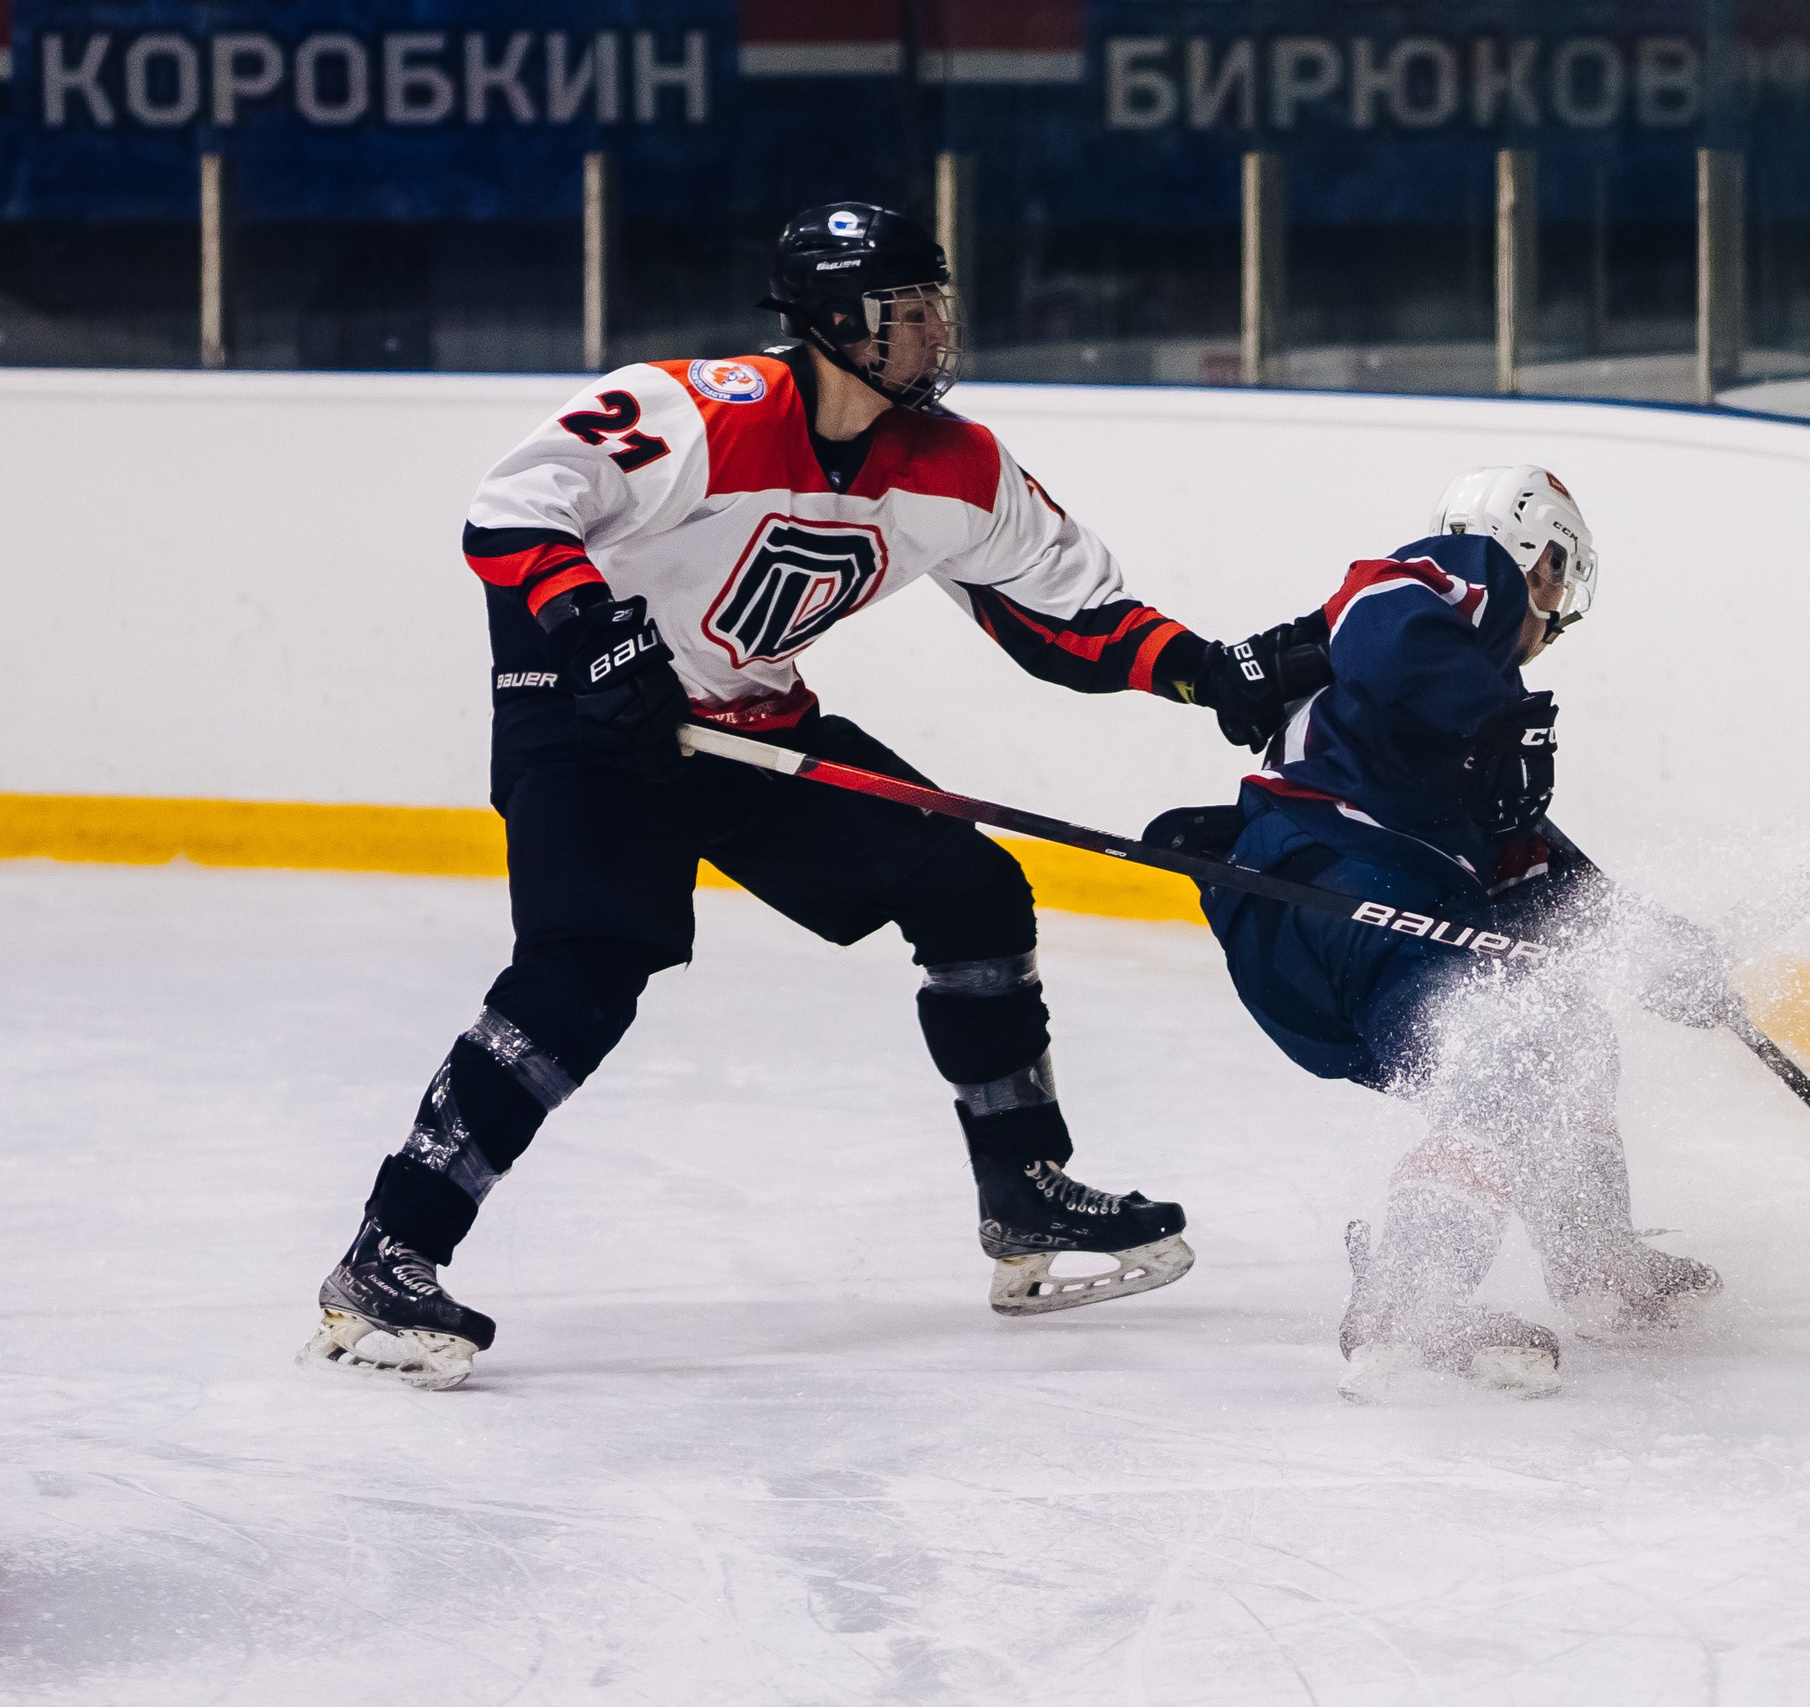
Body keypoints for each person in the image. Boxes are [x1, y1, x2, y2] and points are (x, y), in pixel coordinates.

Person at [302, 201, 1329, 1390]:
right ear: (835, 322)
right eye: (908, 311)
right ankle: (389, 1253)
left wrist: (1205, 672)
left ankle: (1023, 1191)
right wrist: (589, 629)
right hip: (592, 722)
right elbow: (516, 505)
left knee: (971, 889)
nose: (936, 330)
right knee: (583, 973)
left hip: (753, 731)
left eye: (939, 305)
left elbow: (1065, 615)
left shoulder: (956, 465)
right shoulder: (704, 409)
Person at [1167, 466, 1728, 1398]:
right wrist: (1500, 719)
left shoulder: (1467, 733)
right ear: (1539, 560)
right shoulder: (1456, 586)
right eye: (1557, 580)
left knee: (1561, 1033)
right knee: (1509, 1051)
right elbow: (1377, 606)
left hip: (1327, 939)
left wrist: (1656, 950)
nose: (1555, 613)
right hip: (1337, 882)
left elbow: (1540, 883)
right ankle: (1408, 1299)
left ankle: (1595, 1262)